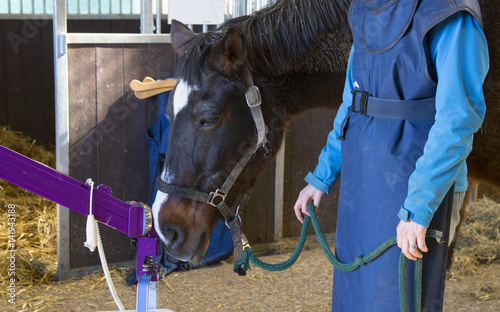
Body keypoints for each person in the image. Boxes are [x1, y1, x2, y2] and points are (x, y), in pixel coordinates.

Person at [293, 0, 489, 311]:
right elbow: (354, 102)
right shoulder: (367, 10)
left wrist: (417, 208)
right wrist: (323, 174)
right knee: (357, 295)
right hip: (362, 184)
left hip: (417, 187)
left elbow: (457, 119)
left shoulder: (450, 15)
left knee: (407, 299)